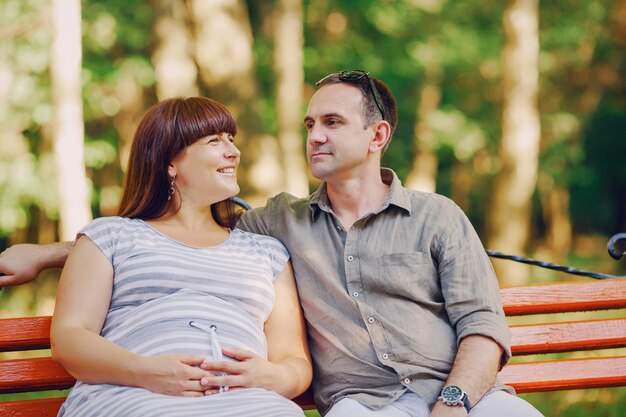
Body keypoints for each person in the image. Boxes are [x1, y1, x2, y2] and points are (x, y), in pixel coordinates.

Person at [0, 71, 543, 417]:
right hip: (359, 406)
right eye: (310, 123)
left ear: (377, 136)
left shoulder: (435, 217)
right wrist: (48, 254)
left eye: (332, 122)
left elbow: (483, 326)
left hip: (461, 398)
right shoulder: (279, 224)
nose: (314, 136)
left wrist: (452, 405)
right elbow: (159, 238)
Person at [39, 97, 311, 417]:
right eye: (214, 141)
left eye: (231, 140)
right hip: (129, 395)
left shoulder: (265, 252)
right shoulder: (110, 236)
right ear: (170, 163)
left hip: (245, 402)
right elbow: (70, 337)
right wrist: (145, 371)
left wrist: (273, 376)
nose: (234, 151)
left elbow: (293, 358)